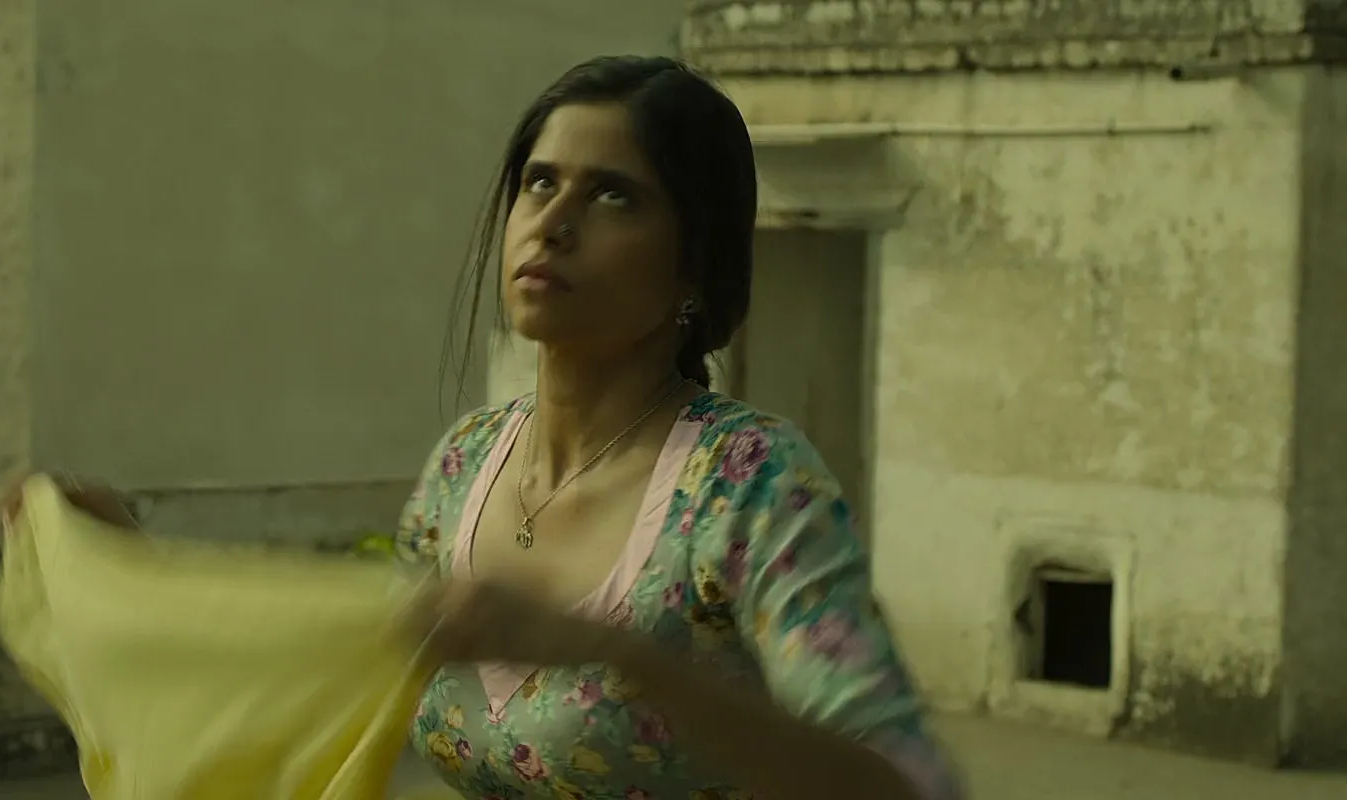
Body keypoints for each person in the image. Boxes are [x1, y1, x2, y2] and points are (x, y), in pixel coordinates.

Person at [399, 55, 962, 799]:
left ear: (692, 265)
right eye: (540, 182)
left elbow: (910, 787)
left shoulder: (750, 485)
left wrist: (622, 656)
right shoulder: (463, 466)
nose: (552, 225)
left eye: (613, 196)